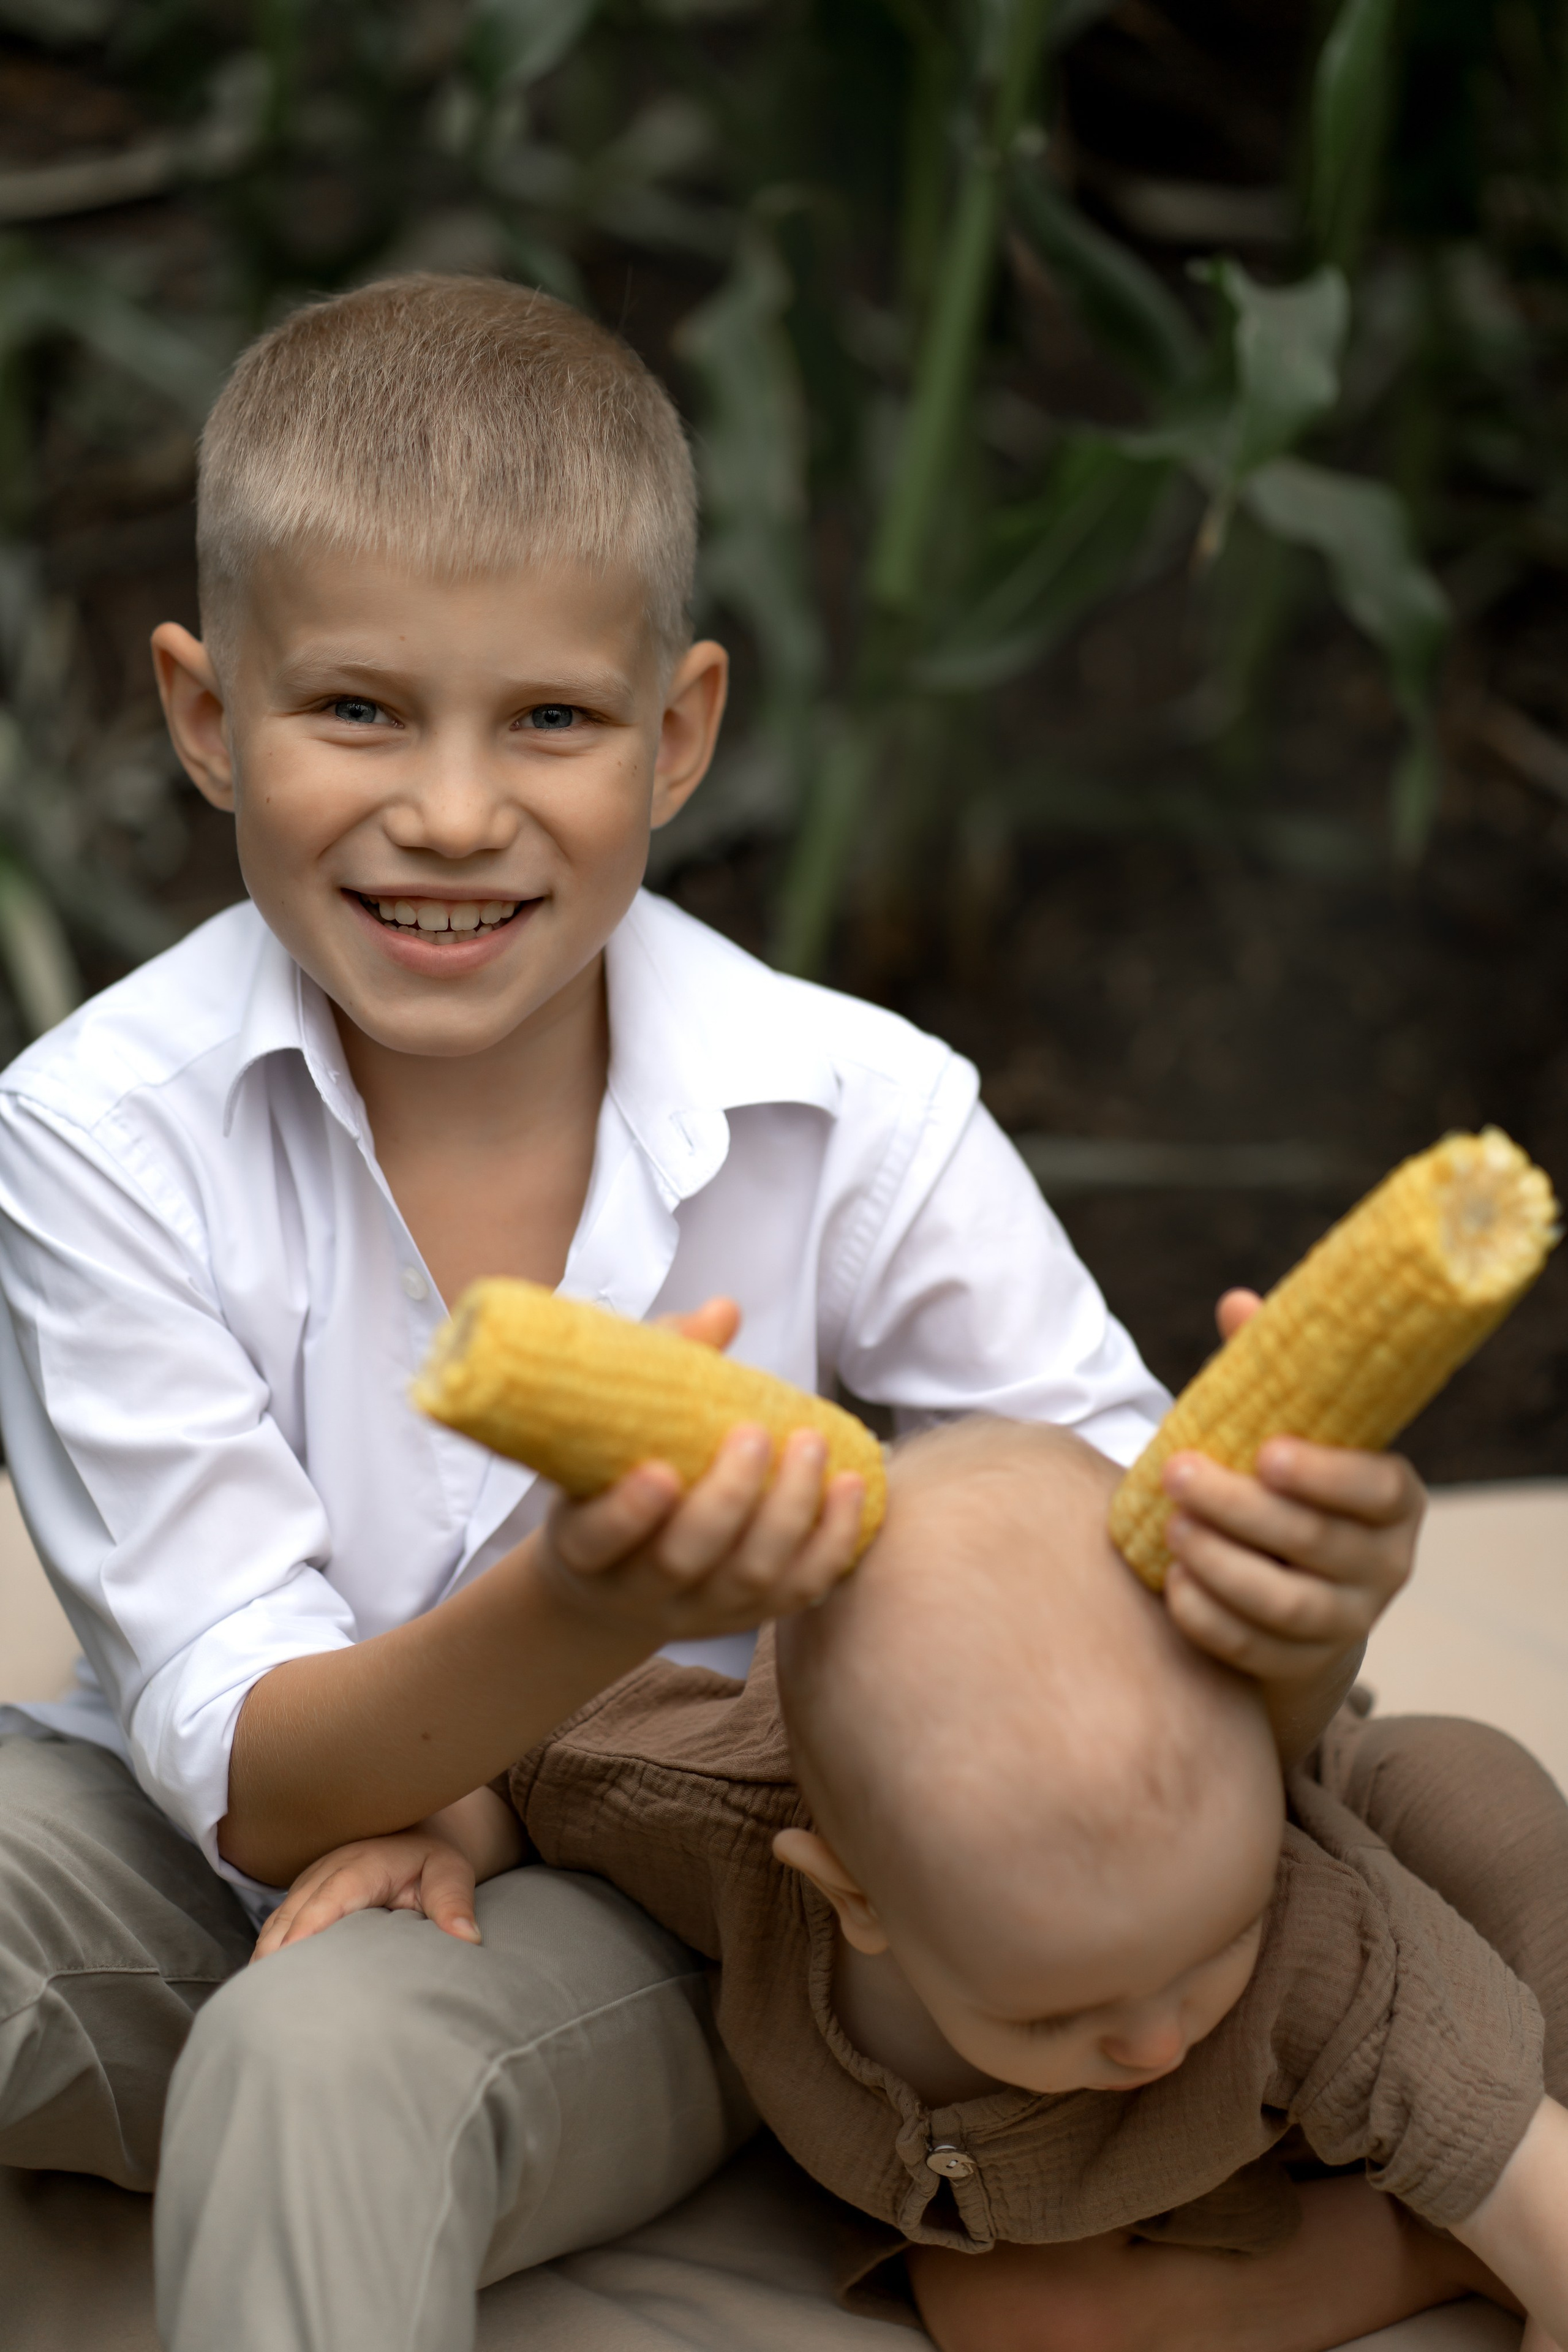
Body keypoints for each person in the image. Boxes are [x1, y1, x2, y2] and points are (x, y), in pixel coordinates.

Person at [0, 273, 1423, 2352]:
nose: (457, 810)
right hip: (187, 1846)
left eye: (550, 720)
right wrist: (577, 1592)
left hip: (671, 1909)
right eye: (360, 709)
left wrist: (1307, 1594)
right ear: (209, 717)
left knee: (323, 2055)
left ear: (678, 736)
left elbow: (1128, 1618)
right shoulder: (96, 1130)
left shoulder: (859, 1113)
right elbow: (254, 1771)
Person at [266, 1417, 1568, 2352]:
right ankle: (1428, 2239)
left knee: (1484, 1823)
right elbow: (545, 1747)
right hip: (1076, 2180)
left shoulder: (1310, 1930)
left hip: (1374, 1900)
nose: (1157, 2036)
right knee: (1019, 2318)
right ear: (851, 1901)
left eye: (1202, 1958)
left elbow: (1492, 2129)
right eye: (1052, 2014)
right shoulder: (713, 1814)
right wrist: (453, 1825)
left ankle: (1458, 2185)